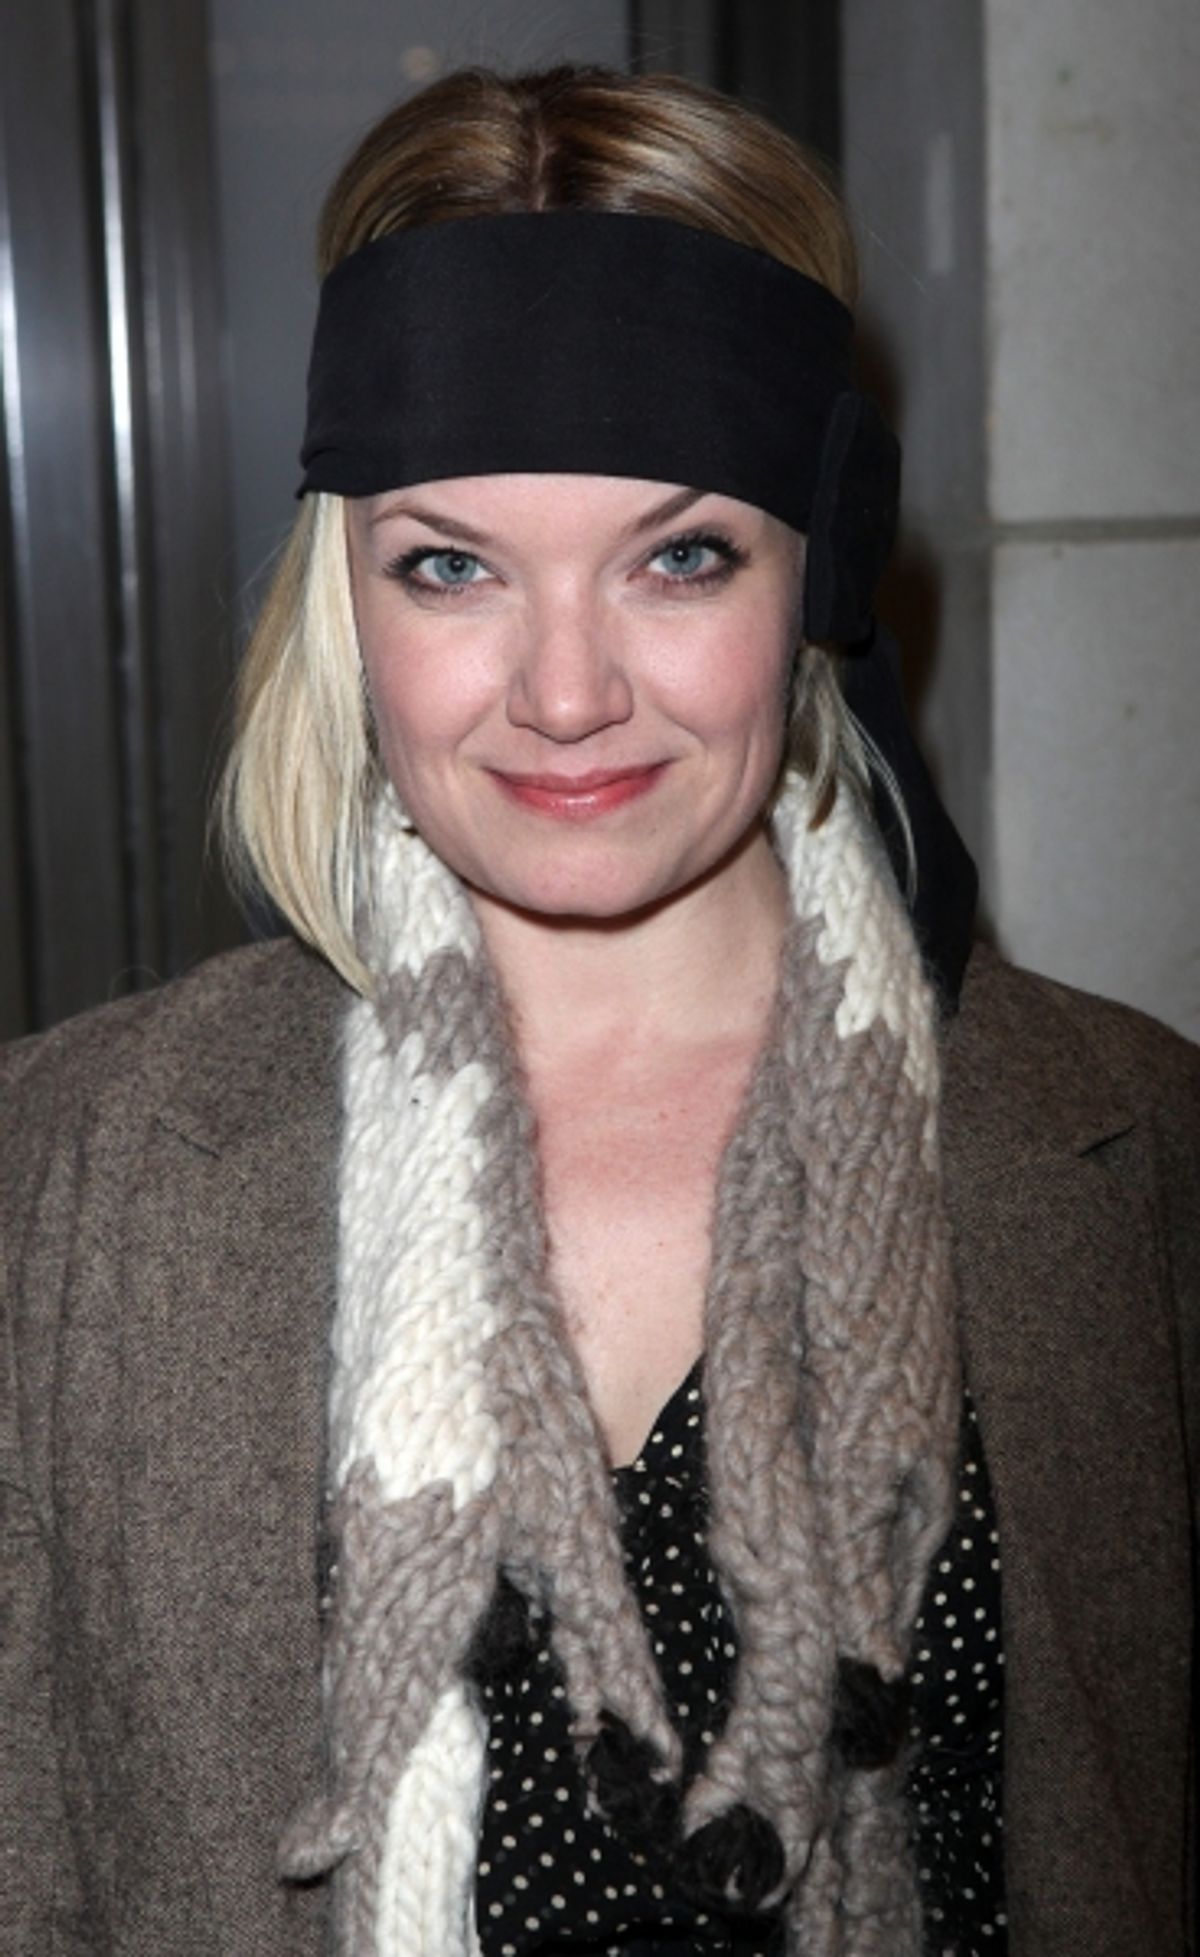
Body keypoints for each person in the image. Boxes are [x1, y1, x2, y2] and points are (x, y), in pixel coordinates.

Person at [1, 63, 1196, 1957]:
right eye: (452, 565)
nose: (565, 691)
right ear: (351, 602)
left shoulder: (1137, 1155)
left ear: (816, 574)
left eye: (679, 556)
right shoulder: (60, 1180)